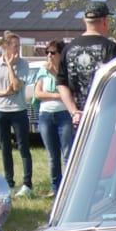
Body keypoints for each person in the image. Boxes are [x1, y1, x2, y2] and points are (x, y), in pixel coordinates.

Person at [57, 1, 116, 133]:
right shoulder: (111, 48)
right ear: (105, 21)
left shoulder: (69, 49)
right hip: (105, 115)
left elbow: (61, 84)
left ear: (85, 21)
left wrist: (74, 112)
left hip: (79, 119)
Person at [0, 30, 34, 196]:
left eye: (19, 46)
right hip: (0, 111)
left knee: (23, 147)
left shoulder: (23, 64)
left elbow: (16, 86)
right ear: (5, 47)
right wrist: (1, 93)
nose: (17, 49)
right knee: (5, 147)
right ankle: (9, 182)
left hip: (18, 111)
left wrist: (11, 66)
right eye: (14, 46)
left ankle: (27, 184)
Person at [33, 39, 73, 197]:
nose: (49, 56)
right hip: (46, 115)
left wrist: (55, 74)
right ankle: (55, 187)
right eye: (47, 52)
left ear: (60, 54)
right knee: (52, 153)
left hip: (64, 114)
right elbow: (38, 94)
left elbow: (69, 91)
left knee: (68, 152)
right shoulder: (42, 71)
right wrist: (58, 95)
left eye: (53, 52)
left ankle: (69, 187)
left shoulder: (66, 71)